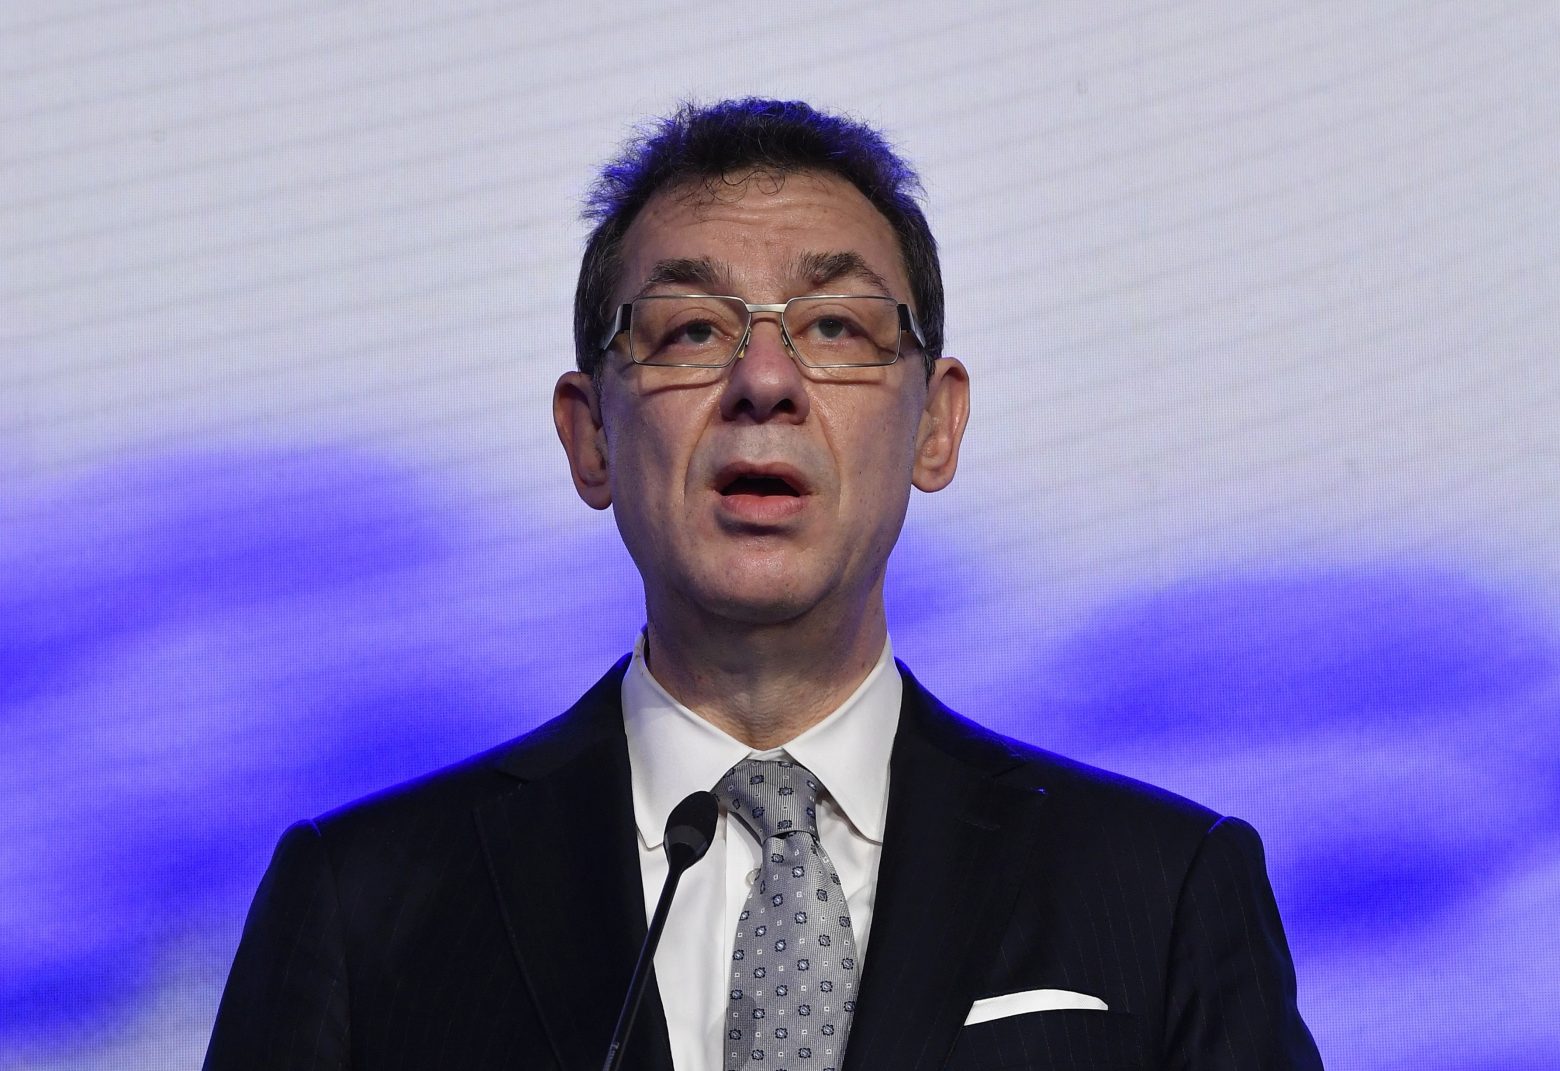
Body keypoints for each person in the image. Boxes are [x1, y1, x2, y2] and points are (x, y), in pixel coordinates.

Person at [205, 98, 1323, 1070]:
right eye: (692, 330)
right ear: (589, 437)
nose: (766, 380)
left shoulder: (1162, 891)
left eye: (835, 326)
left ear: (936, 426)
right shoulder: (364, 905)